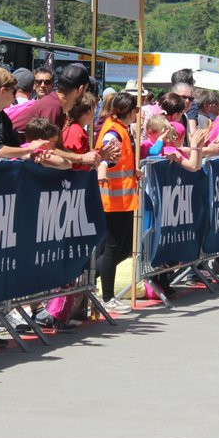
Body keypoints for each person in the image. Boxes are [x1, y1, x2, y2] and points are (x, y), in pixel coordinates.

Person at [95, 92, 140, 313]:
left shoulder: (120, 129)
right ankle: (107, 296)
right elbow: (105, 160)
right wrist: (105, 169)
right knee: (112, 248)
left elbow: (119, 162)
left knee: (122, 247)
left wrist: (133, 171)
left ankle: (89, 278)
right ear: (130, 112)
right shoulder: (113, 132)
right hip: (113, 200)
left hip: (122, 199)